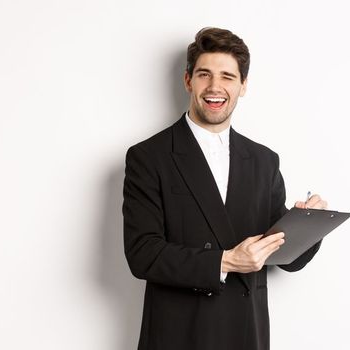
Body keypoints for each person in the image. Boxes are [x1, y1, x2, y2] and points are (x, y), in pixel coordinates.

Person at [122, 27, 329, 350]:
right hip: (179, 334)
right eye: (205, 74)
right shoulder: (149, 157)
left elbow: (288, 259)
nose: (215, 87)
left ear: (243, 86)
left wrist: (306, 226)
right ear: (188, 80)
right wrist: (227, 261)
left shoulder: (264, 160)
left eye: (228, 77)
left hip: (246, 332)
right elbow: (142, 254)